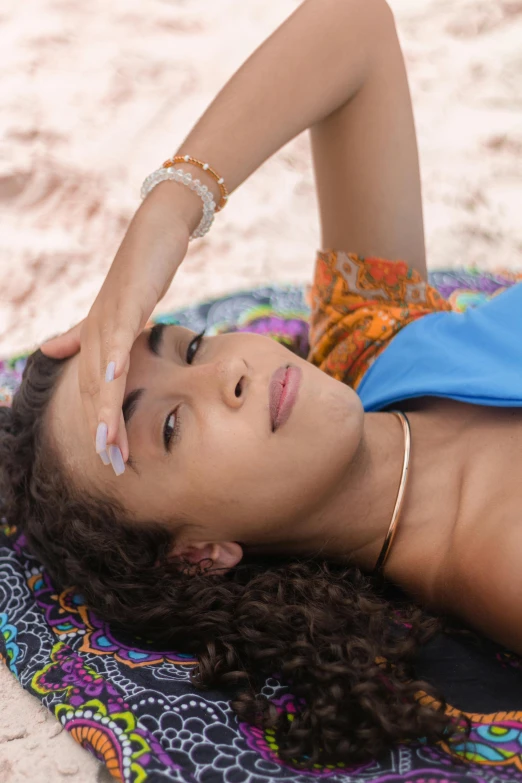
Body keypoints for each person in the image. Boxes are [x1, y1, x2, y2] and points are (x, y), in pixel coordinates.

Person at [1, 0, 522, 765]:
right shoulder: (498, 556)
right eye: (170, 426)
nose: (228, 374)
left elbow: (354, 29)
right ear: (199, 553)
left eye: (191, 346)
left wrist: (169, 212)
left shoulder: (374, 337)